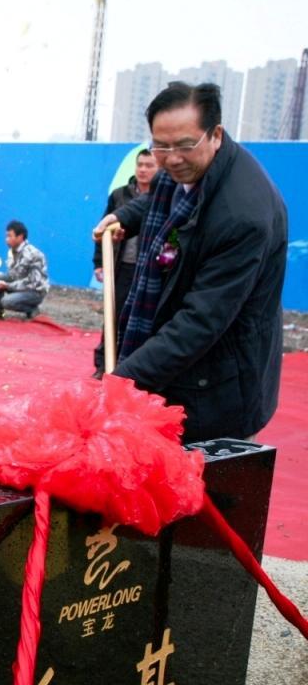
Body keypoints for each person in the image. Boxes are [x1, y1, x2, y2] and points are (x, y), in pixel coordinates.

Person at [92, 82, 287, 444]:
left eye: (184, 145)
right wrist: (124, 217)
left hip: (218, 387)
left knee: (200, 477)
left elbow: (200, 322)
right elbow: (159, 197)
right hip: (179, 369)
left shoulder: (242, 215)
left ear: (216, 134)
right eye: (160, 146)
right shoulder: (186, 170)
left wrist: (121, 381)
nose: (171, 159)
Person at [90, 148, 158, 378]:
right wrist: (99, 263)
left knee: (143, 319)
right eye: (140, 165)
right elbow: (103, 230)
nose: (143, 170)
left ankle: (131, 368)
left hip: (149, 269)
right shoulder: (119, 196)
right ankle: (103, 365)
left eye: (149, 165)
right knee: (114, 314)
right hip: (122, 267)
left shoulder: (163, 198)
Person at [0, 220, 49, 320]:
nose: (6, 239)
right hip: (21, 286)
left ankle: (32, 310)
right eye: (6, 236)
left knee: (6, 301)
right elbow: (14, 275)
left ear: (20, 237)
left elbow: (33, 283)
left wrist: (7, 286)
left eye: (10, 236)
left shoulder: (33, 255)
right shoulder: (13, 251)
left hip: (35, 292)